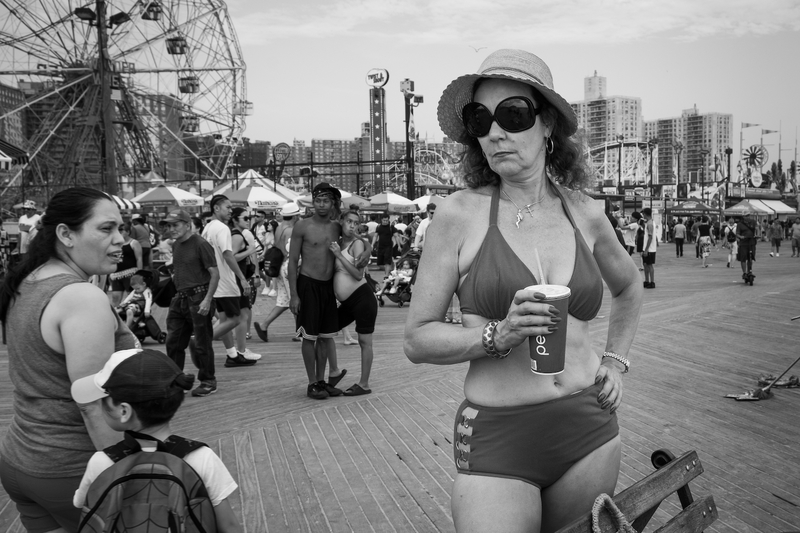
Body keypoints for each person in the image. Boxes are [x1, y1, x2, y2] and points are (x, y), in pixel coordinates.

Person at [406, 49, 642, 532]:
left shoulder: (586, 213)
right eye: (480, 119)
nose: (496, 132)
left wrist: (615, 360)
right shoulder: (457, 215)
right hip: (500, 438)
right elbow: (417, 339)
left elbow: (630, 286)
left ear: (548, 123)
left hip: (589, 428)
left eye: (514, 115)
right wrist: (498, 333)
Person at [0, 188, 140, 532]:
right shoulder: (81, 297)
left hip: (22, 457)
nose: (120, 239)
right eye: (106, 229)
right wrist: (128, 477)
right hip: (74, 468)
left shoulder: (27, 281)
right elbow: (92, 404)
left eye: (121, 228)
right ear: (65, 234)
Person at [69, 348, 242, 530]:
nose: (100, 403)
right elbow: (229, 525)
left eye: (104, 398)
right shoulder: (201, 457)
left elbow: (83, 507)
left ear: (124, 411)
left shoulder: (102, 462)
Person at [289, 184, 348, 400]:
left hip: (327, 287)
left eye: (326, 200)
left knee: (324, 337)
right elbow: (293, 262)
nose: (321, 205)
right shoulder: (302, 227)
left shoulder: (336, 227)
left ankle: (322, 381)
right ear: (313, 202)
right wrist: (294, 295)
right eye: (318, 200)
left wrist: (367, 249)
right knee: (309, 336)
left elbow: (356, 238)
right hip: (308, 285)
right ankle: (312, 382)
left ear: (333, 203)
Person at [164, 208, 220, 398]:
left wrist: (207, 300)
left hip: (199, 297)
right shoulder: (176, 245)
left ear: (187, 225)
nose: (171, 229)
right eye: (169, 225)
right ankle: (176, 380)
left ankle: (208, 380)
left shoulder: (200, 244)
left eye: (175, 225)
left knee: (202, 342)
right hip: (180, 298)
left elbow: (215, 273)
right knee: (173, 342)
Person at [329, 206, 378, 396]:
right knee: (327, 331)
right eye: (349, 221)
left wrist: (339, 256)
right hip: (347, 303)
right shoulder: (338, 242)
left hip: (363, 298)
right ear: (341, 221)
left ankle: (364, 384)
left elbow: (358, 274)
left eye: (356, 223)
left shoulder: (356, 244)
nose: (352, 226)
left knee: (365, 341)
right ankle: (334, 372)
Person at [202, 195, 255, 368]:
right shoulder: (223, 228)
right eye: (228, 207)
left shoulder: (207, 228)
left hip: (214, 280)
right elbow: (228, 254)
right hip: (225, 281)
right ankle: (201, 343)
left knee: (224, 318)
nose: (231, 210)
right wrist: (242, 278)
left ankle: (232, 354)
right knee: (236, 319)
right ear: (216, 208)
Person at [254, 202, 300, 343]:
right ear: (295, 216)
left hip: (280, 266)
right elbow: (292, 252)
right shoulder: (291, 230)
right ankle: (300, 332)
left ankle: (264, 325)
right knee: (295, 298)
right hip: (288, 266)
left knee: (284, 301)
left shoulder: (280, 228)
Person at [229, 207, 261, 355]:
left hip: (237, 278)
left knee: (241, 313)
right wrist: (250, 250)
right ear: (235, 219)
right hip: (238, 278)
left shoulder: (235, 233)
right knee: (242, 315)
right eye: (245, 218)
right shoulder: (237, 236)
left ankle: (240, 349)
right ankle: (241, 350)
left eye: (249, 218)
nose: (249, 221)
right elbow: (231, 257)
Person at [108, 221, 143, 307]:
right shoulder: (115, 244)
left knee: (132, 297)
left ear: (128, 232)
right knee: (115, 298)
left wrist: (140, 274)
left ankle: (133, 316)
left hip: (130, 274)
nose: (119, 233)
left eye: (121, 230)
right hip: (116, 275)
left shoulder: (134, 243)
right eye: (118, 231)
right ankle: (116, 318)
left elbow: (139, 258)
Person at [372, 214, 396, 278]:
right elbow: (375, 236)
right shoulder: (379, 227)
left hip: (388, 246)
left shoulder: (391, 227)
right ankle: (390, 269)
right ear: (381, 220)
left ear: (388, 220)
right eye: (384, 220)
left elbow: (396, 235)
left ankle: (386, 275)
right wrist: (372, 244)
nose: (385, 222)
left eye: (387, 220)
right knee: (380, 263)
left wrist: (398, 244)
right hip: (380, 246)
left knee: (387, 262)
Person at [736, 215, 757, 281]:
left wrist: (758, 235)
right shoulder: (739, 224)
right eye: (745, 216)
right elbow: (737, 233)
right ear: (743, 217)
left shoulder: (753, 222)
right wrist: (740, 236)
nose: (747, 217)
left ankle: (749, 271)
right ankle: (744, 272)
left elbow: (757, 229)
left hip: (752, 242)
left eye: (748, 215)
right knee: (743, 258)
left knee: (751, 257)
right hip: (743, 242)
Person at [641, 207, 657, 287]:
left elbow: (650, 237)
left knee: (649, 265)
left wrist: (646, 250)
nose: (642, 215)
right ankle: (647, 280)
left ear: (645, 214)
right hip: (648, 248)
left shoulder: (650, 224)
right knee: (645, 264)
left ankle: (652, 282)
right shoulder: (650, 222)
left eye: (643, 214)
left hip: (650, 249)